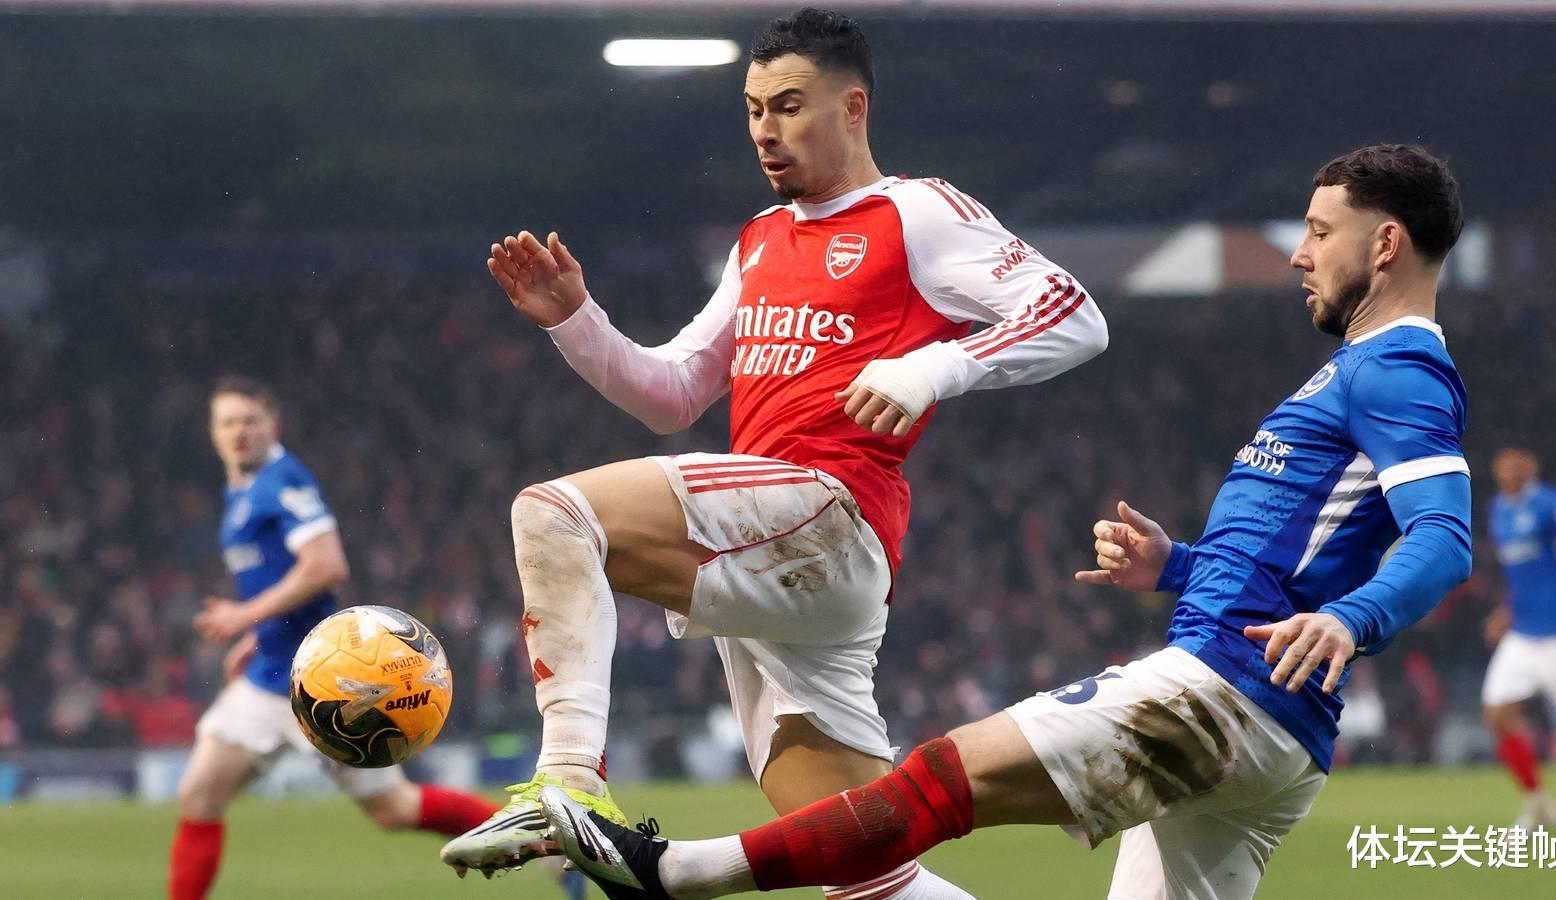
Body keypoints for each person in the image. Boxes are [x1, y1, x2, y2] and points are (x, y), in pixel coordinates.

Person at [540, 143, 1474, 900]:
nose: (1301, 254)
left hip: (1225, 692)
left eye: (1320, 232)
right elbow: (1308, 549)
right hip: (1276, 730)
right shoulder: (1363, 372)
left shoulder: (1398, 369)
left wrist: (1351, 619)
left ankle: (668, 874)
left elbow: (1444, 537)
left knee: (941, 779)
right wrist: (1178, 566)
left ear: (1386, 244)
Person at [438, 8, 1109, 898]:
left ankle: (568, 780)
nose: (765, 129)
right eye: (754, 109)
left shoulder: (916, 211)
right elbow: (674, 394)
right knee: (865, 870)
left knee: (555, 512)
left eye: (789, 105)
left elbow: (1073, 314)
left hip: (827, 509)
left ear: (853, 107)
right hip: (778, 563)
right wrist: (577, 321)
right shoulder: (760, 238)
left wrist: (933, 368)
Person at [167, 377, 506, 899]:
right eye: (228, 422)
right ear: (213, 432)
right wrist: (257, 634)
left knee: (395, 810)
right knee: (199, 795)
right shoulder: (242, 489)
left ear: (273, 425)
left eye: (250, 421)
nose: (239, 432)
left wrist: (244, 615)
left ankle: (542, 844)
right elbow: (284, 580)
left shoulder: (283, 482)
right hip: (268, 676)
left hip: (326, 683)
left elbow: (325, 565)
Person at [1482, 446, 1556, 825]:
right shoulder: (1497, 510)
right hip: (1523, 634)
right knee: (1497, 713)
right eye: (1504, 467)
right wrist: (1506, 611)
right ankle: (1538, 803)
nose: (1510, 473)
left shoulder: (1551, 504)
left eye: (1518, 467)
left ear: (1531, 469)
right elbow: (1521, 575)